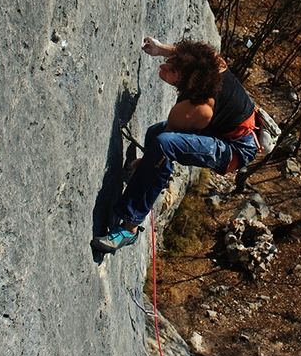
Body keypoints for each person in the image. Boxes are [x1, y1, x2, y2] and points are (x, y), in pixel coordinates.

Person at [92, 36, 258, 253]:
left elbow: (167, 143)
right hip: (226, 125)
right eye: (171, 63)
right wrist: (161, 49)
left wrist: (149, 164)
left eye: (171, 71)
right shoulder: (213, 65)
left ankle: (129, 228)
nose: (164, 66)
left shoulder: (197, 109)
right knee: (154, 134)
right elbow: (195, 55)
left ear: (188, 82)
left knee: (163, 143)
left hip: (236, 148)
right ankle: (149, 180)